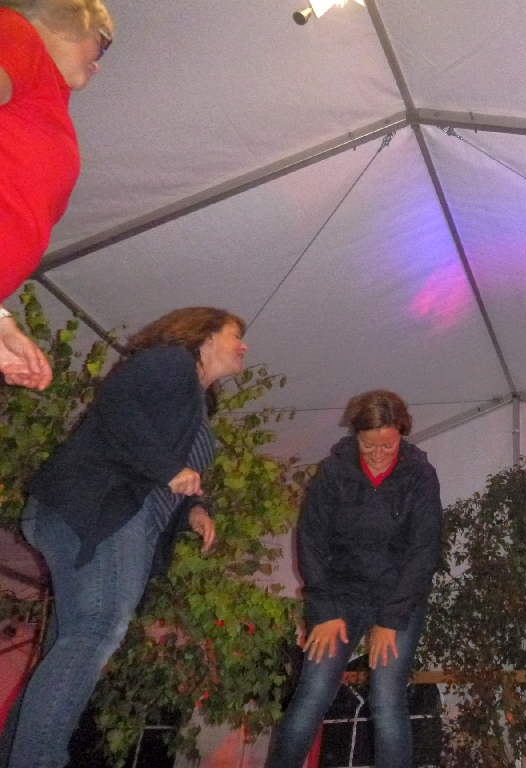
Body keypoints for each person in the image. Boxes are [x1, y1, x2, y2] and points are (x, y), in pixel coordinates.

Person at [2, 307, 247, 768]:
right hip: (100, 510)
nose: (244, 346)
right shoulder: (171, 361)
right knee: (97, 628)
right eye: (237, 335)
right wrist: (170, 470)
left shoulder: (197, 402)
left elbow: (171, 473)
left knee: (71, 642)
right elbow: (118, 410)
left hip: (119, 519)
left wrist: (194, 509)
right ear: (206, 335)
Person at [266, 390, 442, 768]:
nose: (378, 454)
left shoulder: (420, 476)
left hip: (397, 596)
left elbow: (423, 552)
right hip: (340, 594)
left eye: (388, 445)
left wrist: (390, 619)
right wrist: (325, 611)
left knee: (387, 698)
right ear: (355, 436)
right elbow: (312, 541)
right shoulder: (333, 473)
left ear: (402, 433)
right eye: (368, 445)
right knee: (312, 693)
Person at [0, 0, 113, 390]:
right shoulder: (19, 35)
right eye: (102, 44)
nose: (99, 64)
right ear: (63, 18)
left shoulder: (44, 99)